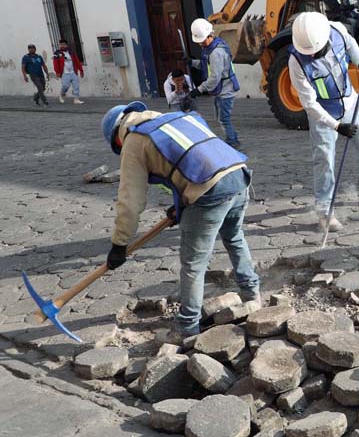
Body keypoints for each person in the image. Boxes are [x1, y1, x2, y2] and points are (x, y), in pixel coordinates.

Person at [100, 101, 260, 337]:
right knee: (234, 237)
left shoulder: (134, 141)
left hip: (209, 190)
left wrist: (119, 244)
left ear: (117, 139)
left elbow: (130, 202)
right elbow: (195, 159)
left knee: (193, 263)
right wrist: (182, 204)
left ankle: (188, 327)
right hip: (239, 175)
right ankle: (252, 295)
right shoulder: (178, 119)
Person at [287, 11, 359, 232]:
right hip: (323, 112)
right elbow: (309, 104)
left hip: (350, 102)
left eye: (316, 52)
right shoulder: (296, 61)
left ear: (325, 39)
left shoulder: (337, 31)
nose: (312, 56)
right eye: (308, 53)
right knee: (323, 160)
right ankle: (325, 212)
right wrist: (337, 126)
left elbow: (351, 45)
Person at [188, 18, 242, 149]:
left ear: (208, 35)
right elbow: (207, 66)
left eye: (201, 41)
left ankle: (232, 142)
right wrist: (192, 63)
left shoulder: (216, 53)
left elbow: (214, 78)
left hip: (225, 91)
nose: (200, 44)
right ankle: (233, 138)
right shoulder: (211, 48)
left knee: (224, 118)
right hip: (221, 90)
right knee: (221, 118)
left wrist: (200, 90)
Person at [53, 39, 85, 104]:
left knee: (76, 86)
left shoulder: (71, 52)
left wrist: (81, 70)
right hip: (65, 73)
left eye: (64, 44)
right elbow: (55, 63)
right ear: (59, 45)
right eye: (61, 44)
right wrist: (57, 72)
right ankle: (62, 94)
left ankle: (76, 99)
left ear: (66, 45)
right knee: (65, 86)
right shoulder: (57, 53)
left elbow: (77, 61)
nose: (62, 46)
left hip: (73, 72)